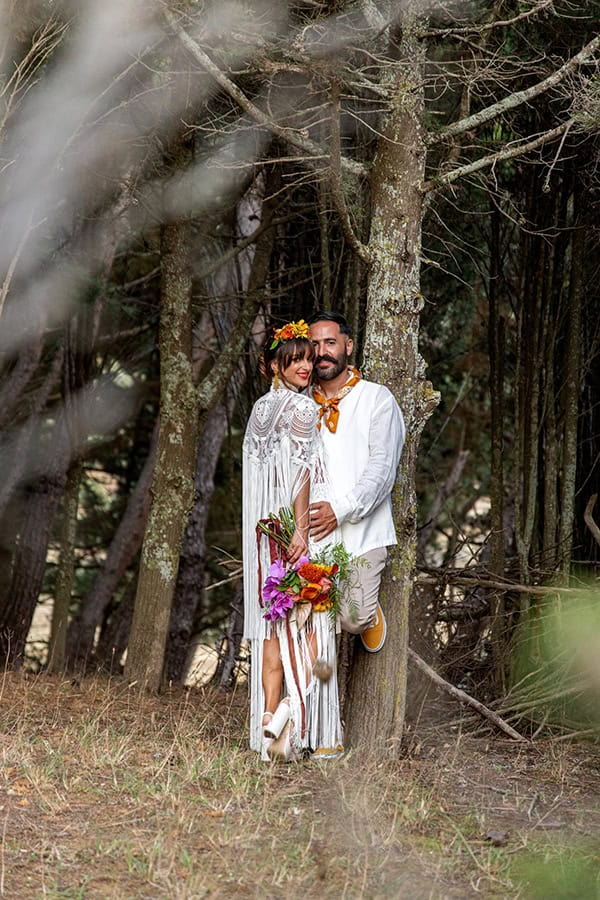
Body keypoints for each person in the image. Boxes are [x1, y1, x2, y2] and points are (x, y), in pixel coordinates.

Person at [242, 320, 343, 762]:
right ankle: (297, 719)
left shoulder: (260, 411)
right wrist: (301, 529)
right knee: (308, 626)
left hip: (263, 536)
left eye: (307, 358)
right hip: (291, 534)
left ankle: (267, 723)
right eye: (294, 360)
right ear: (275, 366)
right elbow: (300, 473)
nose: (305, 366)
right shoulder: (303, 410)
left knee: (271, 626)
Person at [308, 311, 405, 652]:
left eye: (330, 343)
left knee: (351, 618)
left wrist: (342, 508)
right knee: (311, 615)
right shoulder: (301, 404)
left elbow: (382, 470)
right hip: (314, 530)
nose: (322, 352)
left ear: (348, 345)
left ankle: (368, 613)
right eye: (314, 344)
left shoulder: (377, 399)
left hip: (364, 531)